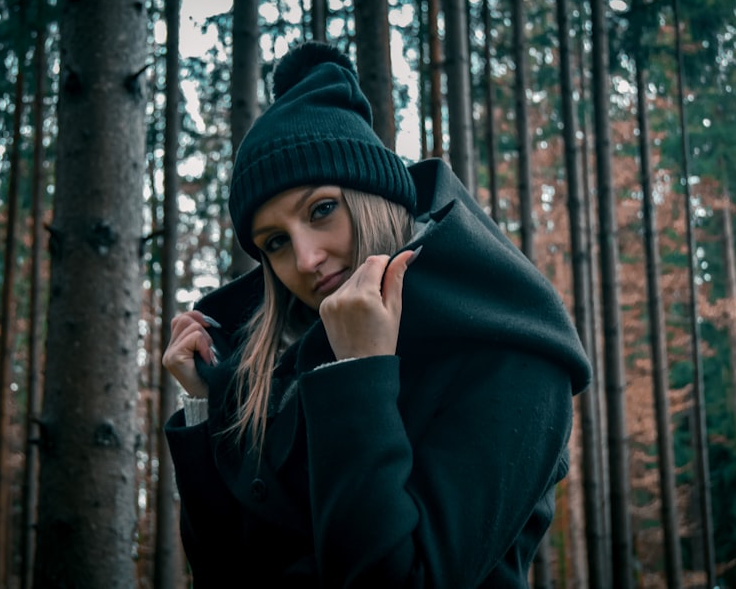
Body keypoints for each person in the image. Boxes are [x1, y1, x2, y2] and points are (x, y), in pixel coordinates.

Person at [162, 41, 592, 588]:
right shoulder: (279, 367)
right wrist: (207, 408)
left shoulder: (510, 353)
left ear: (375, 197)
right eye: (274, 242)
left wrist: (358, 370)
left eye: (321, 210)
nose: (305, 259)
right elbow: (223, 573)